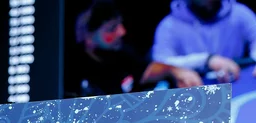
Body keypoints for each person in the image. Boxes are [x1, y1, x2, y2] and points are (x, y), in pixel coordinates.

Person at [71, 0, 203, 97]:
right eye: (112, 28)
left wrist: (174, 71)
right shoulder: (73, 70)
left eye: (120, 24)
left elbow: (146, 71)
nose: (122, 32)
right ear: (87, 35)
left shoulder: (122, 55)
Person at [152, 0, 256, 82]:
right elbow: (160, 64)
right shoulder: (168, 25)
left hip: (237, 81)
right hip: (195, 89)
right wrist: (206, 60)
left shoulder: (239, 13)